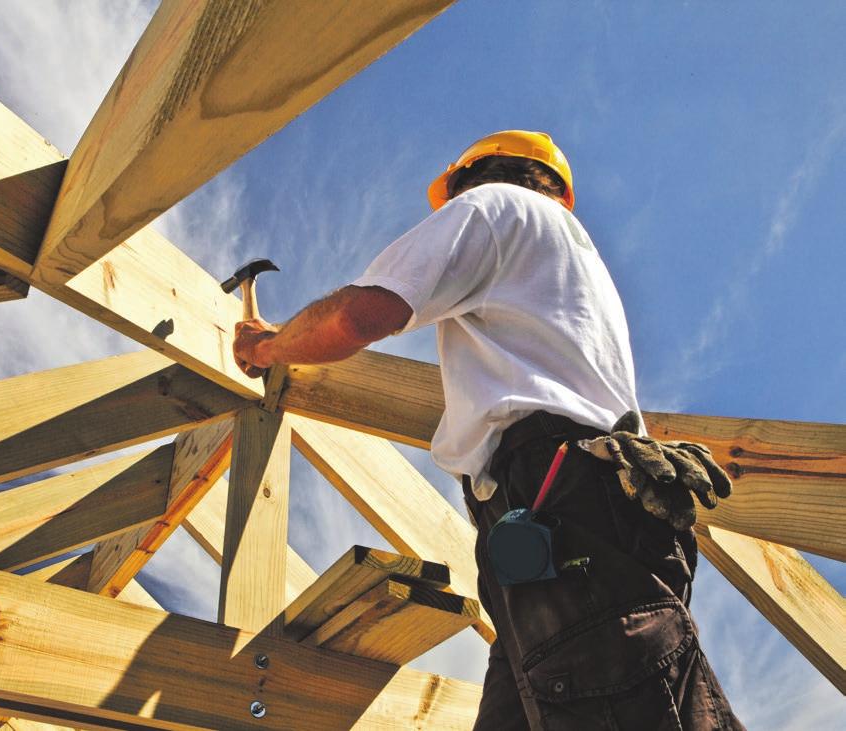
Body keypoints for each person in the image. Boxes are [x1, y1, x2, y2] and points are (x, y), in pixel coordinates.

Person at [233, 130, 743, 730]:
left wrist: (268, 348)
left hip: (558, 506)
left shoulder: (495, 207)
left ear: (472, 179)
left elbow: (360, 313)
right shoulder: (569, 265)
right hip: (565, 527)